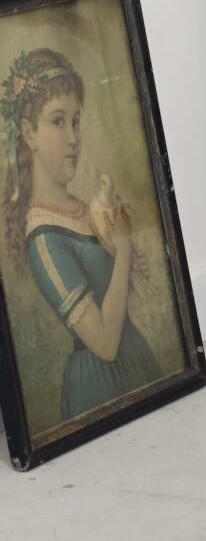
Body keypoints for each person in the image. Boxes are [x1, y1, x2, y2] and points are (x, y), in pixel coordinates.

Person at [1, 47, 160, 421]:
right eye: (58, 122)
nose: (73, 137)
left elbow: (120, 291)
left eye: (75, 121)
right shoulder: (43, 241)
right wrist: (121, 247)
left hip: (134, 358)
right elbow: (104, 343)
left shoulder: (83, 208)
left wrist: (118, 241)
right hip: (100, 382)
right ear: (29, 132)